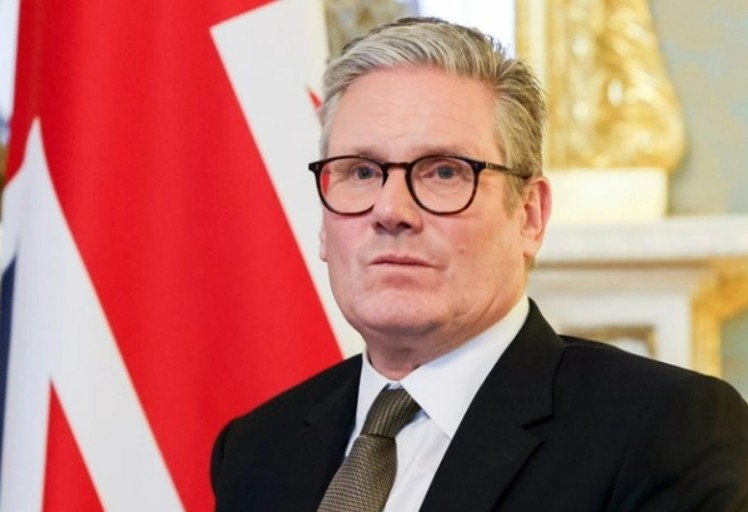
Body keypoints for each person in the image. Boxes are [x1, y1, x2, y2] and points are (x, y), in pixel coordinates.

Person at [211, 17, 748, 512]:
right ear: (325, 225)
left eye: (444, 172)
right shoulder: (257, 449)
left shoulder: (664, 431)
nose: (391, 211)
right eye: (362, 172)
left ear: (530, 216)